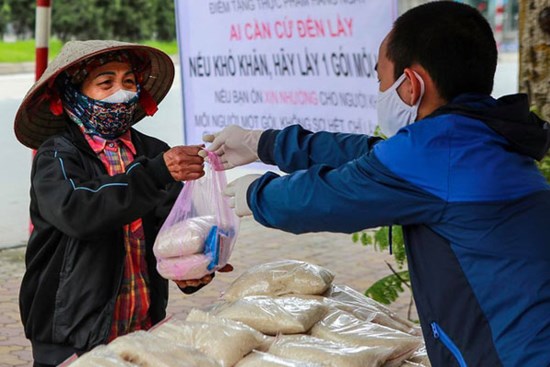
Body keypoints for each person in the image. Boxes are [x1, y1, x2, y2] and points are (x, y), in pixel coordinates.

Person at [204, 2, 550, 366]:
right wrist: (264, 143)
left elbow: (327, 197)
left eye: (381, 80)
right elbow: (370, 153)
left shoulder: (437, 152)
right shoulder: (474, 136)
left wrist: (256, 194)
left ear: (411, 85)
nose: (380, 90)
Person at [14, 40, 230, 366]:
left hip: (142, 326)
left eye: (129, 81)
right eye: (106, 82)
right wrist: (155, 174)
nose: (123, 92)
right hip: (71, 331)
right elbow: (78, 212)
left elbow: (172, 229)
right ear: (75, 94)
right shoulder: (57, 154)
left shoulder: (153, 152)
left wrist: (194, 265)